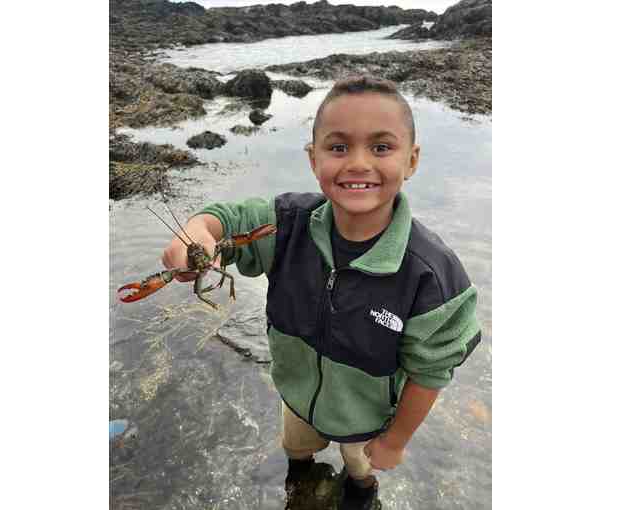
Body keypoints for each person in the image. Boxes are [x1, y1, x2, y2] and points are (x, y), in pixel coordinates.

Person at [161, 76, 481, 510]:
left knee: (360, 467)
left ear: (412, 160)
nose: (358, 163)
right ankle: (299, 476)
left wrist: (396, 441)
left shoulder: (432, 275)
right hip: (297, 396)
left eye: (382, 147)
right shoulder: (288, 224)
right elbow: (230, 220)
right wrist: (199, 230)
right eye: (338, 147)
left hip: (365, 418)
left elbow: (431, 371)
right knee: (296, 446)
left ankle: (361, 492)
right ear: (314, 159)